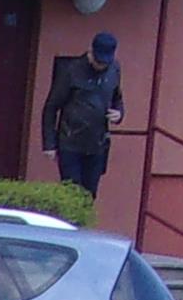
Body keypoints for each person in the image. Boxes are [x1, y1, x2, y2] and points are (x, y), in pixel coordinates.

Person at [43, 29, 124, 201]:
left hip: (97, 144)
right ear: (91, 52)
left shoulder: (114, 70)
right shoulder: (71, 71)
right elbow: (51, 107)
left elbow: (117, 98)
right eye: (98, 61)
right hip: (71, 143)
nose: (101, 66)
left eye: (105, 63)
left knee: (89, 195)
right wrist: (49, 143)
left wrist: (119, 113)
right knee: (72, 194)